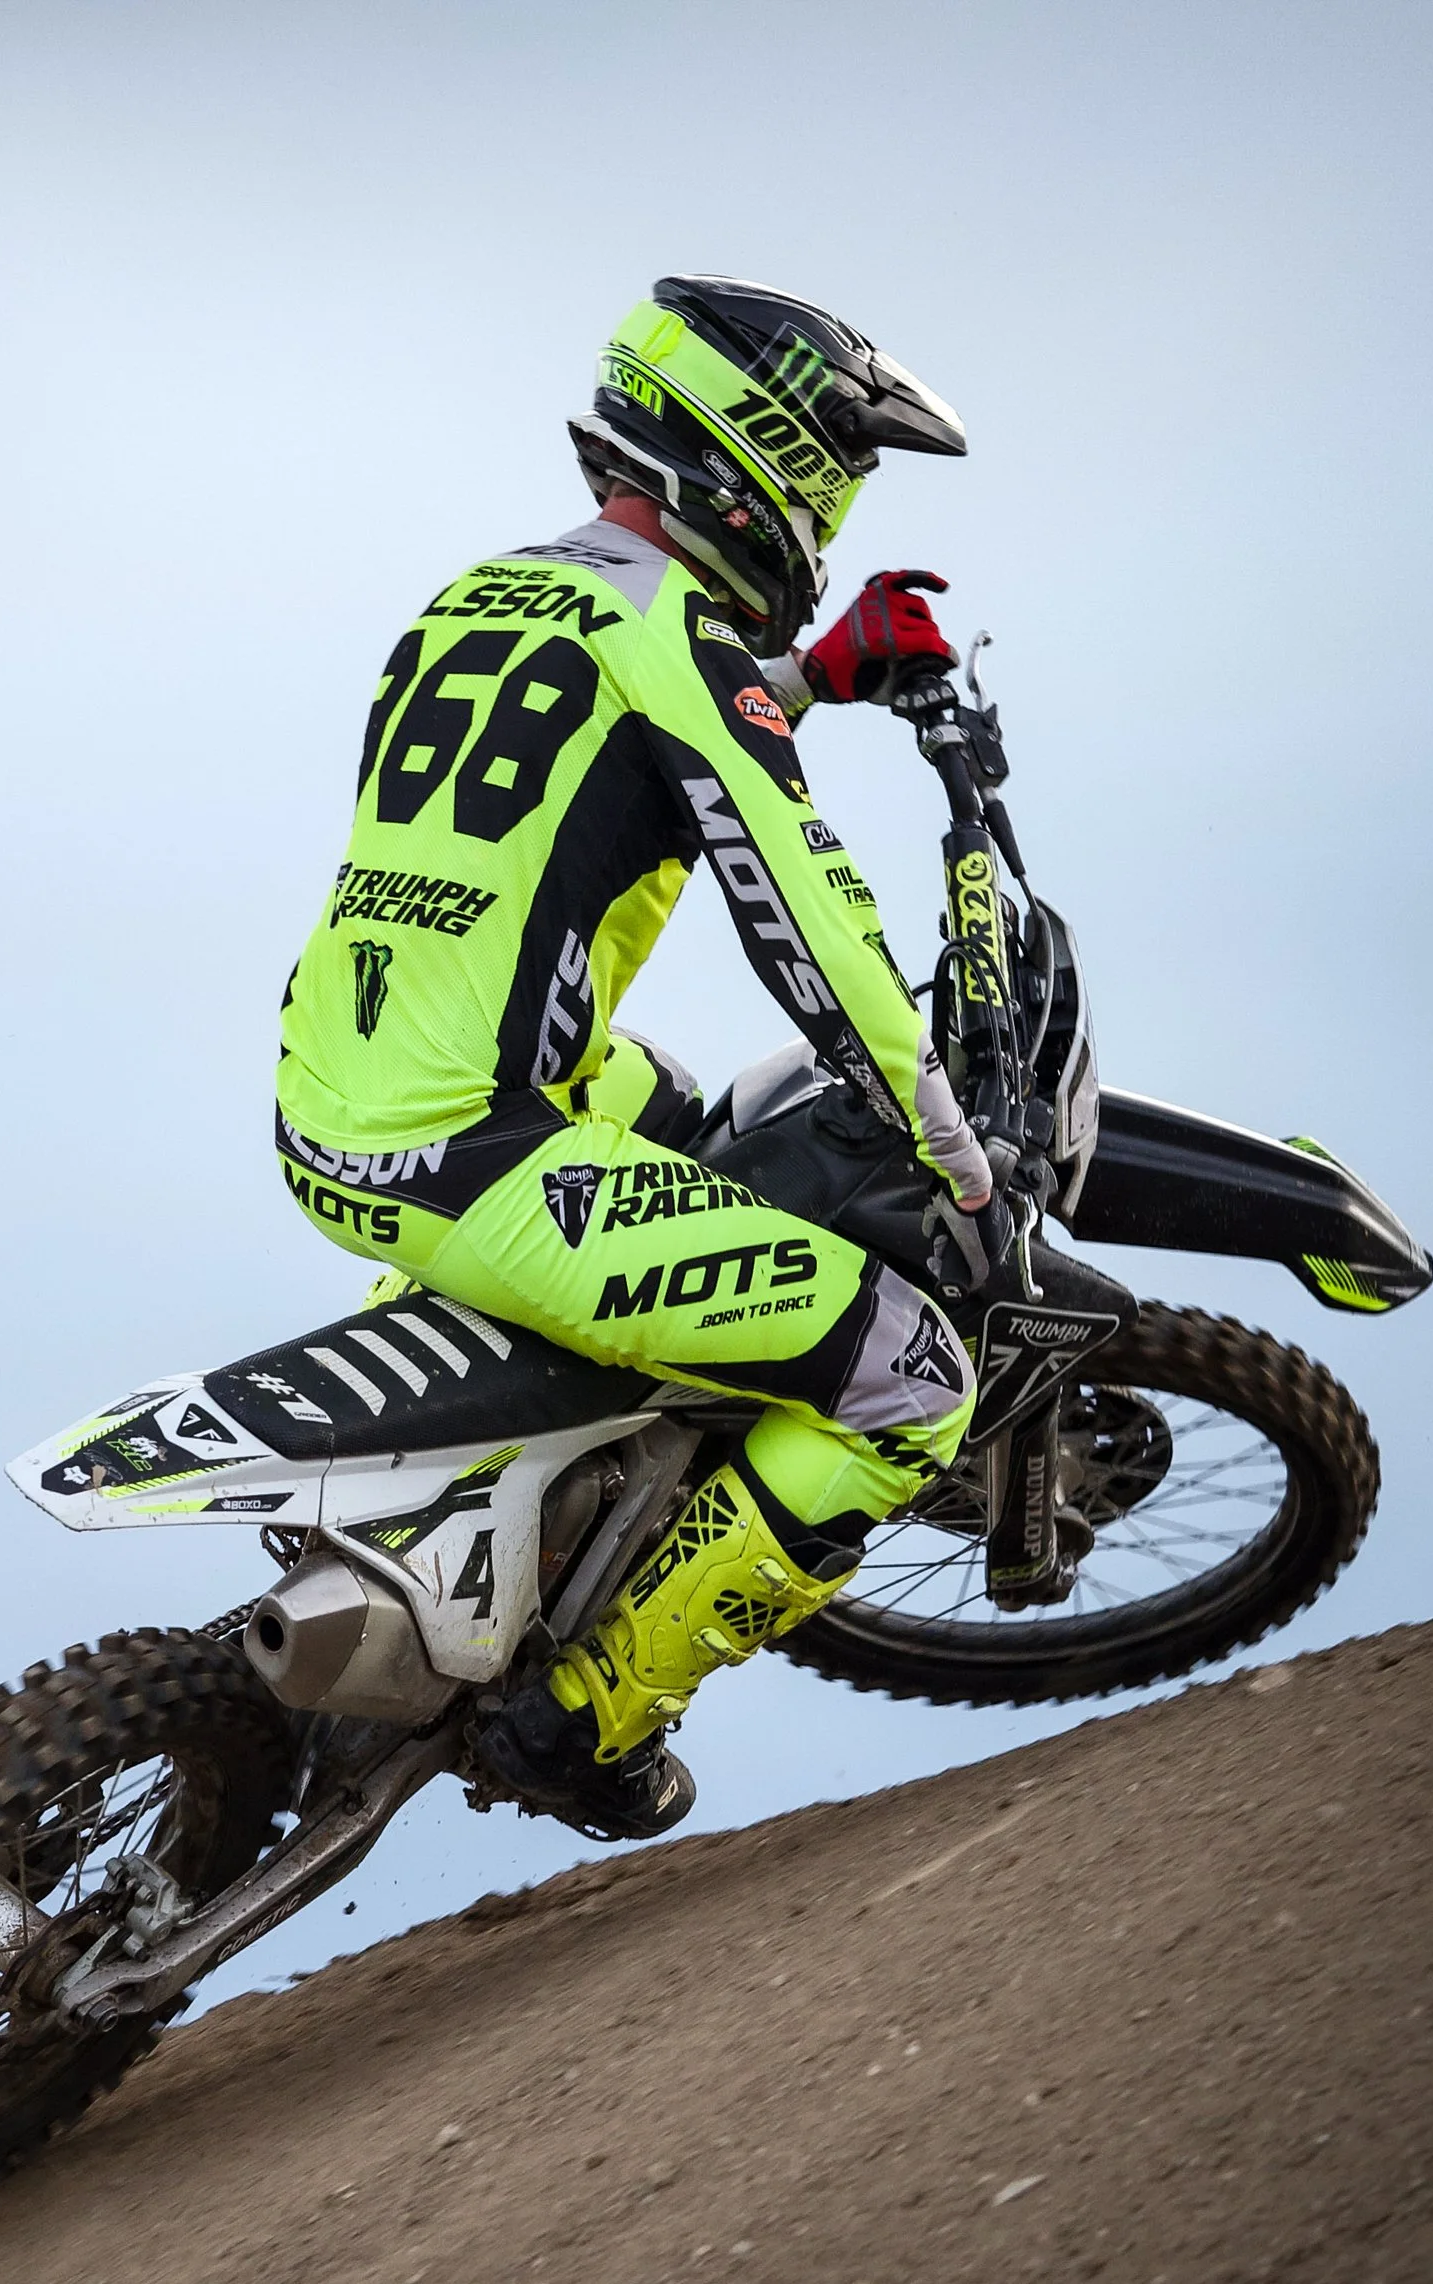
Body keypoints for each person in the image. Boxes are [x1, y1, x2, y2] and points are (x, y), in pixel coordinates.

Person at [273, 276, 1002, 1841]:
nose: (834, 508)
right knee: (911, 1378)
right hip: (484, 1151)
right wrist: (950, 1142)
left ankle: (488, 1476)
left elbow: (614, 767)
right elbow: (812, 923)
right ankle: (578, 1718)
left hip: (334, 1099)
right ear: (760, 463)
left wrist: (804, 678)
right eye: (834, 473)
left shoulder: (487, 592)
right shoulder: (677, 635)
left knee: (689, 1112)